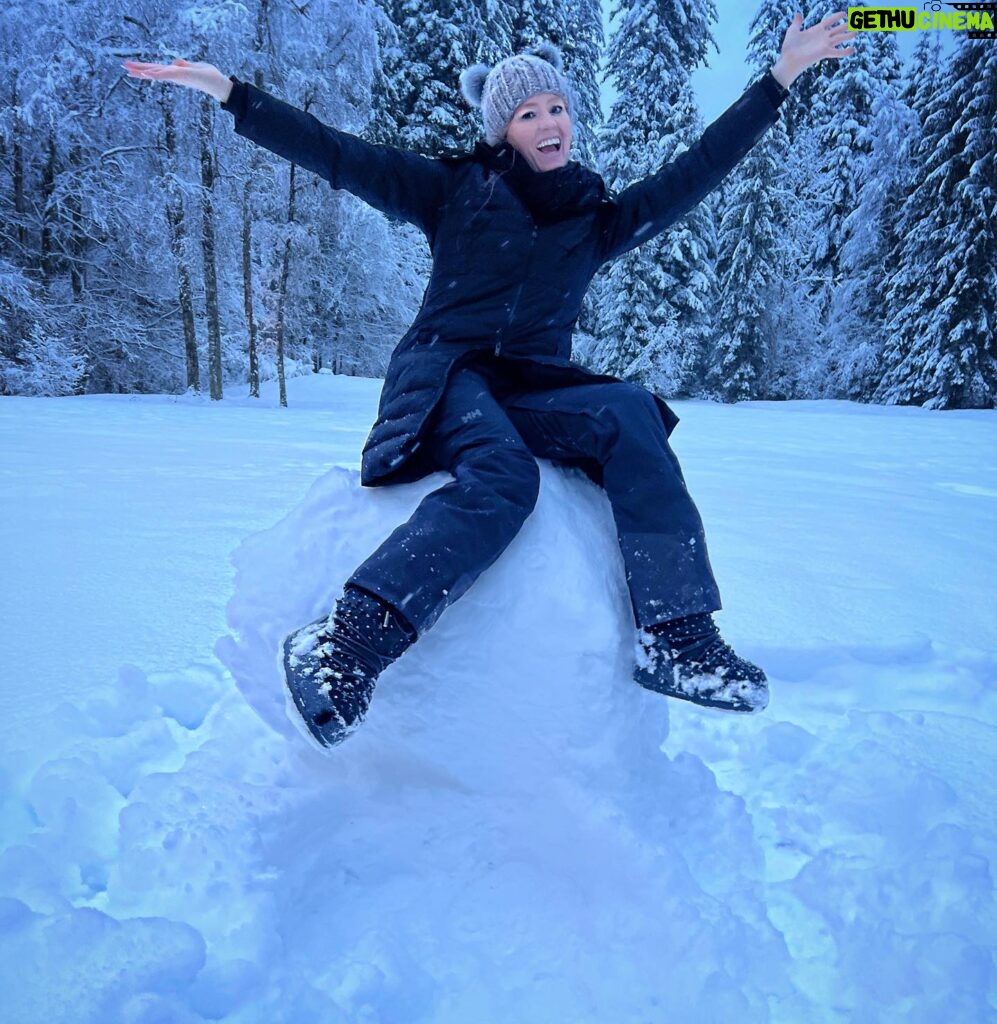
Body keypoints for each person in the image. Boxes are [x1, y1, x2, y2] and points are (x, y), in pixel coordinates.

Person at [123, 12, 855, 751]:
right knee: (504, 476)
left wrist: (778, 78)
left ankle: (676, 635)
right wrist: (231, 94)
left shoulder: (592, 219)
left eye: (557, 108)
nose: (548, 122)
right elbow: (335, 153)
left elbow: (696, 171)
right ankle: (346, 645)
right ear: (503, 128)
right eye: (528, 112)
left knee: (630, 410)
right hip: (446, 378)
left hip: (530, 386)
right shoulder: (452, 190)